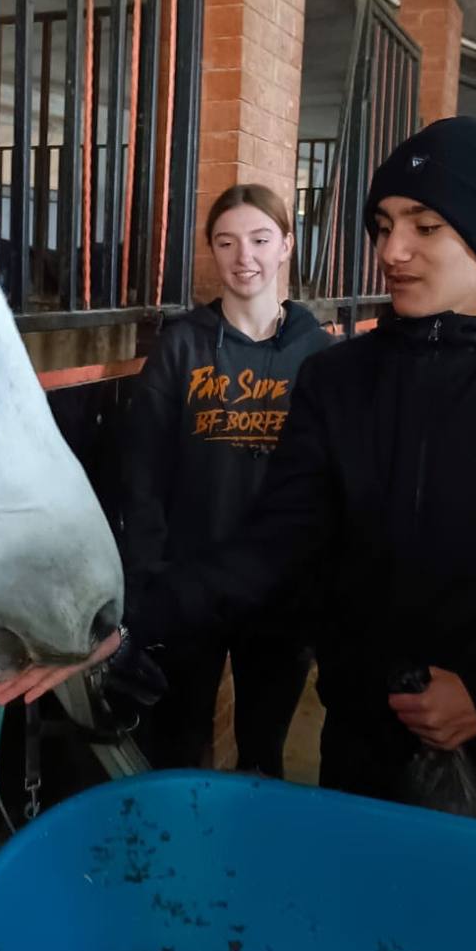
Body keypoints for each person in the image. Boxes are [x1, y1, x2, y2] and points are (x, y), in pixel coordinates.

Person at [0, 117, 476, 835]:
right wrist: (121, 625)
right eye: (381, 224)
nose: (391, 250)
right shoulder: (340, 379)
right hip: (359, 748)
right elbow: (273, 547)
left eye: (425, 226)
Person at [119, 182, 331, 775]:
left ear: (286, 245)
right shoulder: (181, 346)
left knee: (262, 749)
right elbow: (144, 473)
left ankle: (250, 858)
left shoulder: (320, 355)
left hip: (280, 592)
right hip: (190, 585)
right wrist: (147, 583)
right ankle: (181, 862)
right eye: (228, 241)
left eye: (261, 239)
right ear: (212, 250)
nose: (245, 257)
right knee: (178, 746)